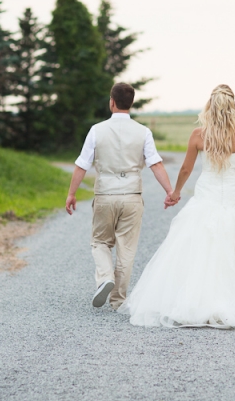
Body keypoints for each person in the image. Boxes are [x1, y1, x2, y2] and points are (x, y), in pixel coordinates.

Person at [118, 84, 235, 328]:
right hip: (234, 195)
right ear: (232, 107)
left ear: (210, 106)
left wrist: (175, 192)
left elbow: (186, 168)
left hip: (206, 193)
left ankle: (198, 300)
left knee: (201, 242)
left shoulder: (199, 135)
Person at [66, 82, 176, 309]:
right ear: (131, 103)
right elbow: (155, 164)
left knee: (99, 242)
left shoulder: (97, 130)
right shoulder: (143, 132)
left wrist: (71, 194)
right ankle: (118, 300)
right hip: (132, 195)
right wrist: (169, 191)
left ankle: (105, 276)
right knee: (126, 248)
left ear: (112, 102)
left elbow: (81, 165)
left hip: (105, 194)